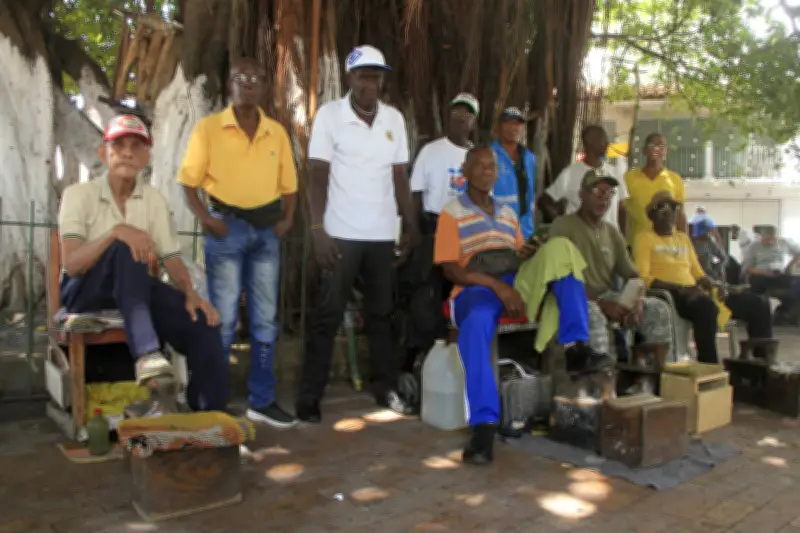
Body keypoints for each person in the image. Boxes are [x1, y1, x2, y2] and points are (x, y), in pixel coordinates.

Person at [435, 145, 607, 465]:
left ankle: (576, 347)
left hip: (514, 285)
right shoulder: (452, 212)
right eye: (481, 165)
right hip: (474, 289)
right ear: (466, 170)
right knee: (478, 323)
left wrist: (528, 253)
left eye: (493, 167)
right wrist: (498, 287)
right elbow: (451, 270)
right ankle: (484, 426)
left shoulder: (507, 213)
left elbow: (515, 258)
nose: (489, 171)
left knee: (561, 250)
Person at [58, 114, 228, 412]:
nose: (127, 152)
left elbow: (171, 257)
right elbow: (72, 264)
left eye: (136, 146)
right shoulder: (78, 195)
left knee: (203, 323)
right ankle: (147, 354)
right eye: (119, 145)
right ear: (103, 152)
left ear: (146, 156)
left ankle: (210, 412)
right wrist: (116, 233)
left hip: (134, 289)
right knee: (125, 246)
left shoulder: (153, 200)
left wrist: (190, 292)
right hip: (84, 291)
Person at [298, 45, 420, 423]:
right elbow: (317, 174)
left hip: (382, 233)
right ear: (350, 77)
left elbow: (400, 177)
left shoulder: (394, 120)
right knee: (328, 314)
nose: (371, 82)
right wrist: (318, 229)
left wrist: (410, 226)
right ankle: (310, 395)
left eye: (377, 75)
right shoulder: (330, 117)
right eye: (364, 75)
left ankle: (385, 387)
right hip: (341, 232)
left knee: (381, 314)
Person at [178, 57, 299, 428]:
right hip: (226, 229)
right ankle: (212, 401)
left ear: (265, 86)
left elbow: (290, 185)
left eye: (256, 78)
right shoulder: (209, 129)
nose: (248, 84)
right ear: (230, 84)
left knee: (265, 317)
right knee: (224, 318)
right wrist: (207, 219)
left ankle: (262, 400)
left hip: (266, 231)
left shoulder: (276, 132)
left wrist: (287, 220)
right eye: (241, 78)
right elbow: (188, 181)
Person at [634, 191, 773, 363]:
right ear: (652, 214)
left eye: (674, 207)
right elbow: (644, 278)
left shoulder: (683, 239)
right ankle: (709, 365)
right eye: (662, 208)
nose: (669, 212)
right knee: (706, 307)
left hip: (696, 291)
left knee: (759, 304)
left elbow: (698, 273)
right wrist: (681, 288)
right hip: (671, 294)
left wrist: (717, 285)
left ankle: (760, 365)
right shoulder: (645, 239)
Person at [549, 169, 672, 358]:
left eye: (609, 194)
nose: (604, 199)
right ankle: (598, 382)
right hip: (574, 297)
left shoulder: (612, 232)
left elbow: (633, 276)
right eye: (598, 192)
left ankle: (648, 377)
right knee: (594, 315)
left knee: (657, 308)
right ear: (582, 195)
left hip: (607, 296)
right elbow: (558, 275)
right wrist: (602, 303)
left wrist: (635, 302)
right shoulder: (563, 226)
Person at [693, 217, 774, 348]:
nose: (711, 234)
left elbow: (728, 266)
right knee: (758, 304)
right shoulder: (694, 251)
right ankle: (758, 352)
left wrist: (738, 287)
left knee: (763, 303)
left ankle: (761, 352)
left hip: (725, 292)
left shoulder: (716, 250)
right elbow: (702, 277)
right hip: (710, 296)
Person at [538, 125, 629, 231]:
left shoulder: (615, 172)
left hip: (609, 241)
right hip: (579, 241)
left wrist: (623, 243)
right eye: (604, 140)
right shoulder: (570, 173)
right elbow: (544, 201)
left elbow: (622, 210)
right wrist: (562, 223)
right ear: (591, 142)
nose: (608, 144)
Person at [410, 92, 479, 231]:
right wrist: (412, 231)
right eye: (456, 112)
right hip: (434, 226)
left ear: (474, 123)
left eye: (467, 114)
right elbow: (415, 195)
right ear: (449, 117)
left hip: (467, 227)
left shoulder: (479, 156)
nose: (461, 118)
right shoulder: (430, 151)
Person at [624, 133, 688, 248]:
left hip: (667, 247)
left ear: (666, 151)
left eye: (661, 146)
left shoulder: (675, 179)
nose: (657, 149)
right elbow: (622, 213)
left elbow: (680, 215)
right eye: (652, 145)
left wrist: (685, 246)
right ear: (644, 150)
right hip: (637, 245)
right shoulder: (628, 178)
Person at [491, 107, 536, 239]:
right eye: (508, 122)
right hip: (498, 231)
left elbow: (532, 196)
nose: (513, 127)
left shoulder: (530, 158)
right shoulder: (489, 155)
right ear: (499, 127)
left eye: (517, 123)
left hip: (525, 232)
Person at [742, 225, 800, 323]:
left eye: (773, 239)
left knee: (797, 282)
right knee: (756, 285)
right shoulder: (754, 246)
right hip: (760, 274)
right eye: (767, 239)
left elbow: (798, 252)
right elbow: (747, 268)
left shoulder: (784, 242)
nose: (770, 242)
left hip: (779, 274)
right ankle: (757, 315)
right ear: (762, 237)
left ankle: (782, 310)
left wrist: (790, 265)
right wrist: (765, 272)